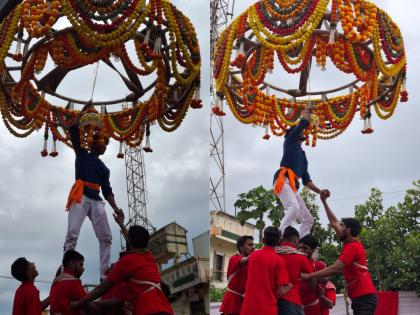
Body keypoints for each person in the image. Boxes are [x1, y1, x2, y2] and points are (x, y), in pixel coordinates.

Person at [63, 104, 124, 279]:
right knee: (72, 233)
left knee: (106, 237)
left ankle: (104, 273)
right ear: (95, 143)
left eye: (105, 144)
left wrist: (116, 208)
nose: (103, 146)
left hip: (97, 200)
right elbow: (73, 128)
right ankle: (65, 268)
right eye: (102, 142)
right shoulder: (81, 153)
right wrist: (83, 111)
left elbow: (107, 191)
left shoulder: (104, 168)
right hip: (81, 195)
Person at [71, 225, 173, 315]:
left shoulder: (127, 261)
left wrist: (79, 303)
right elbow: (135, 240)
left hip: (149, 311)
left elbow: (101, 288)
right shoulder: (149, 257)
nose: (111, 265)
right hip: (166, 310)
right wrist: (121, 223)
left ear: (129, 240)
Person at [301, 195, 377, 315]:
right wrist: (324, 201)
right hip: (359, 297)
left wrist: (309, 275)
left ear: (348, 230)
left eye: (341, 226)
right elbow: (333, 222)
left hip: (365, 297)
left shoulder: (353, 247)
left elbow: (335, 268)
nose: (338, 227)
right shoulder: (349, 241)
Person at [273, 105, 329, 237]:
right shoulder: (289, 141)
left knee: (309, 220)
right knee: (294, 208)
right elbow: (301, 125)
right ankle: (278, 237)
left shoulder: (303, 156)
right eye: (301, 131)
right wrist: (307, 112)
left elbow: (307, 181)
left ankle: (295, 242)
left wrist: (320, 191)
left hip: (293, 187)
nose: (303, 132)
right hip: (283, 180)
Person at [240, 227, 291, 315]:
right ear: (279, 241)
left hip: (248, 308)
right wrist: (291, 285)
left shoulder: (253, 256)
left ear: (263, 240)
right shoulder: (278, 261)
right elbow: (281, 291)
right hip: (267, 309)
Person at [276, 226, 313, 315]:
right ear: (296, 240)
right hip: (291, 300)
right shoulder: (301, 257)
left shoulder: (273, 253)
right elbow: (311, 277)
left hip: (272, 299)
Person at [49, 250, 98, 315]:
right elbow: (92, 308)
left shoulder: (55, 283)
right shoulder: (72, 281)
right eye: (81, 265)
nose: (83, 269)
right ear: (72, 263)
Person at [220, 235, 255, 315]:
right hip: (232, 302)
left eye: (253, 245)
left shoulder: (252, 263)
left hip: (244, 302)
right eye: (250, 245)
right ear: (241, 247)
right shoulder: (234, 258)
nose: (252, 247)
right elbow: (244, 260)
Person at [298, 235, 327, 315]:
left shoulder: (318, 265)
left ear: (313, 250)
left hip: (312, 308)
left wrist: (311, 276)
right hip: (295, 307)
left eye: (305, 248)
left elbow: (326, 279)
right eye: (299, 247)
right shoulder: (295, 263)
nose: (301, 250)